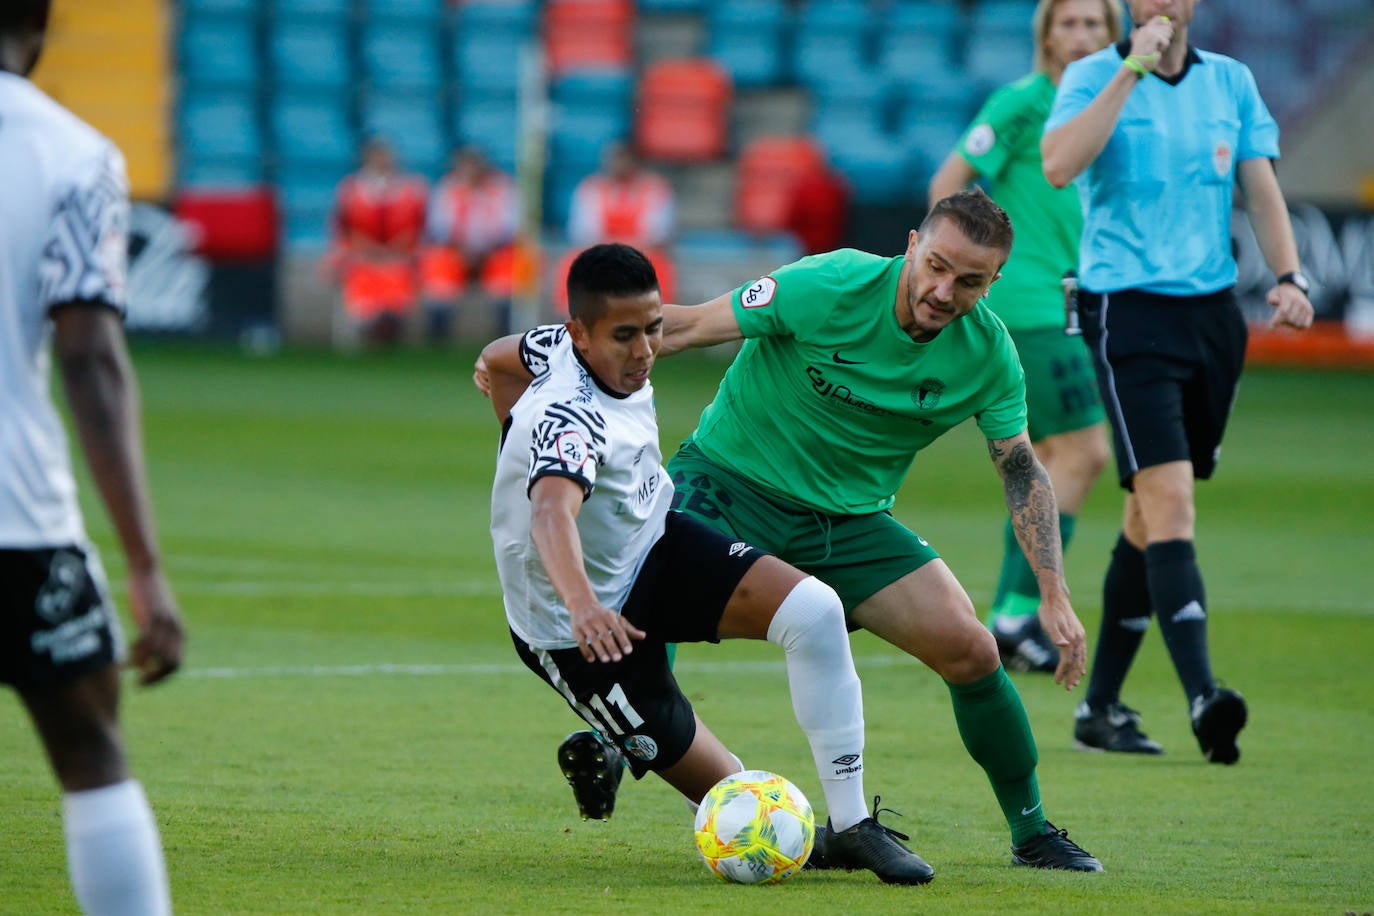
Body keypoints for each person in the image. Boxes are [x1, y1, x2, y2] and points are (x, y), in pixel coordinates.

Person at [479, 191, 1105, 874]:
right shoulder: (826, 285)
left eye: (970, 281)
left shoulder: (987, 354)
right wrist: (570, 347)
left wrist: (1052, 591)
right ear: (911, 244)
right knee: (641, 582)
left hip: (851, 522)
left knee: (972, 651)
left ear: (995, 282)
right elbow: (685, 328)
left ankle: (1032, 833)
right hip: (727, 481)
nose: (943, 290)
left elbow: (1020, 469)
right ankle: (623, 734)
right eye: (936, 266)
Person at [480, 243, 933, 885]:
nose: (643, 351)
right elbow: (551, 512)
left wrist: (508, 426)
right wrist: (582, 604)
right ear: (582, 334)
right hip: (576, 631)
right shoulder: (572, 419)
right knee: (737, 801)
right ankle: (778, 831)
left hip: (657, 546)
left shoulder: (558, 344)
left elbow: (496, 358)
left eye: (654, 328)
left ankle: (853, 825)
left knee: (814, 610)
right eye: (625, 336)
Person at [1042, 0, 1314, 762]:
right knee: (1171, 501)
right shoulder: (1096, 74)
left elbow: (1259, 188)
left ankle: (1099, 709)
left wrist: (1290, 275)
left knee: (1147, 510)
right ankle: (1204, 696)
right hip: (1126, 312)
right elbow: (1060, 165)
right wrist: (1131, 67)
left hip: (1211, 319)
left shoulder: (1230, 80)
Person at [1, 3, 185, 913]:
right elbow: (89, 360)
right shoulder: (74, 155)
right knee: (90, 755)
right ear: (39, 24)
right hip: (16, 520)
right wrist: (145, 568)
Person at [928, 0, 1118, 674]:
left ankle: (1012, 613)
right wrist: (955, 275)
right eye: (1068, 23)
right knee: (1085, 451)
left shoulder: (1109, 107)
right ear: (1045, 35)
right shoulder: (1021, 102)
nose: (1081, 34)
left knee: (1039, 458)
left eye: (1094, 24)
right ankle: (1015, 610)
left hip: (1076, 300)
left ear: (1113, 36)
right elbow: (948, 183)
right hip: (1031, 301)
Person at [324, 137, 429, 347]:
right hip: (361, 255)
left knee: (401, 274)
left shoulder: (413, 188)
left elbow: (420, 227)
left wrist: (396, 249)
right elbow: (343, 228)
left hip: (400, 254)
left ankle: (391, 321)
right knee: (359, 274)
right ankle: (367, 322)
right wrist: (367, 249)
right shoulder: (351, 189)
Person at [419, 146, 525, 342]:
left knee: (510, 261)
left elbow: (511, 228)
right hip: (457, 252)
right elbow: (439, 229)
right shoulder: (448, 189)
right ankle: (439, 330)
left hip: (494, 252)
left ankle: (505, 330)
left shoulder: (503, 189)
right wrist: (464, 250)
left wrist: (484, 250)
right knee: (438, 260)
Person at [563, 142, 676, 305]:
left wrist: (622, 252)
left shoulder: (655, 189)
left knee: (657, 265)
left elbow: (658, 235)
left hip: (642, 254)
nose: (618, 165)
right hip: (600, 255)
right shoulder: (591, 188)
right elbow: (583, 233)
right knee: (572, 264)